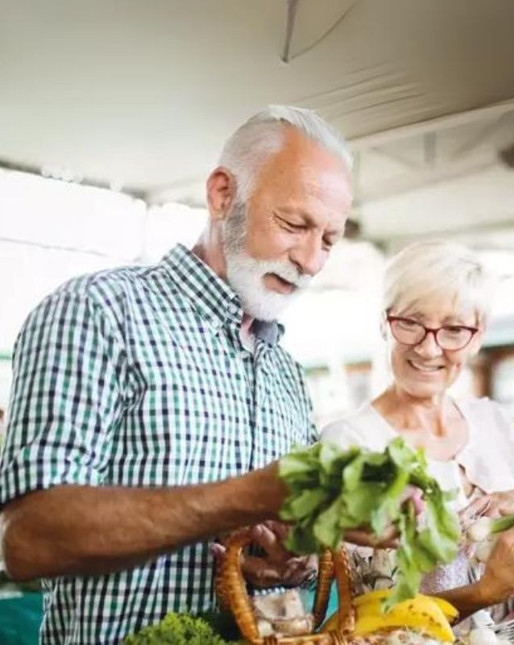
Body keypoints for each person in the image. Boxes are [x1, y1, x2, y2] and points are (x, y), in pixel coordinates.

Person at [0, 106, 376, 643]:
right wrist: (253, 495)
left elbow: (282, 559)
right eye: (295, 224)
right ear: (223, 194)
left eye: (330, 240)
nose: (312, 261)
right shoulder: (100, 312)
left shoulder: (286, 374)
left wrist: (292, 562)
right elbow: (28, 541)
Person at [320, 241, 514, 633]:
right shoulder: (349, 443)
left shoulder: (495, 425)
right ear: (385, 322)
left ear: (477, 335)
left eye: (453, 329)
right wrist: (483, 592)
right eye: (411, 322)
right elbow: (364, 615)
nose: (429, 346)